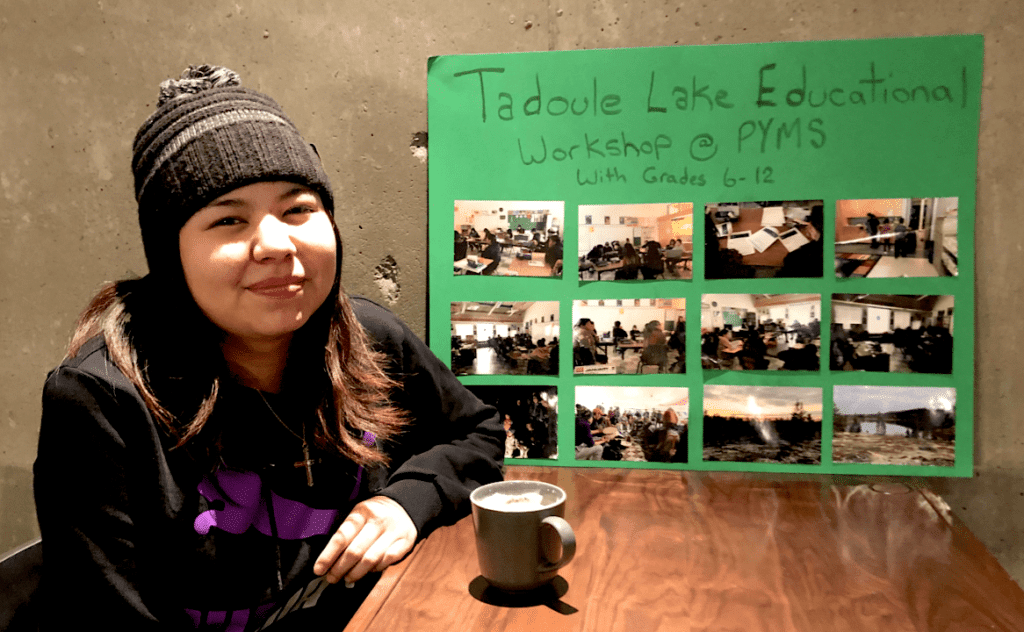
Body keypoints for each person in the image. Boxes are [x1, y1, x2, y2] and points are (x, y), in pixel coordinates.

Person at [33, 65, 504, 631]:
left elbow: (476, 432)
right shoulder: (100, 401)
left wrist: (405, 501)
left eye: (298, 209)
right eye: (229, 219)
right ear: (170, 256)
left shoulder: (366, 336)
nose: (277, 244)